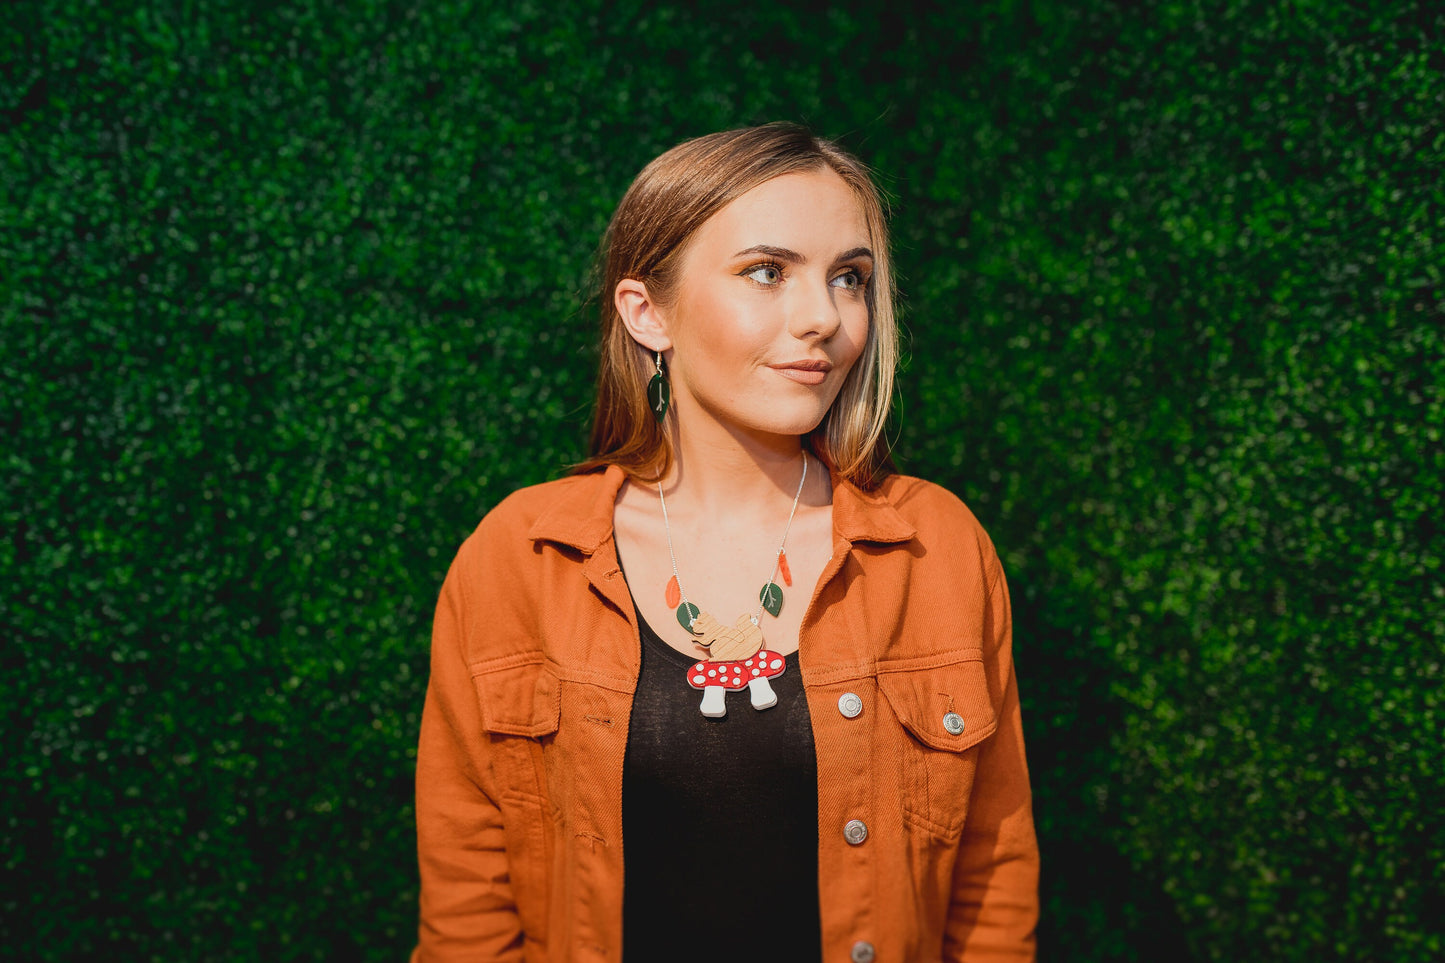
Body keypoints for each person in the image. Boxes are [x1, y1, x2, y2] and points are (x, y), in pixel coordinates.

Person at [412, 123, 1039, 962]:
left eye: (849, 278)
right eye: (767, 272)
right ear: (648, 312)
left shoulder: (934, 547)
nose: (824, 317)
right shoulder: (521, 556)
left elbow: (992, 880)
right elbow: (467, 906)